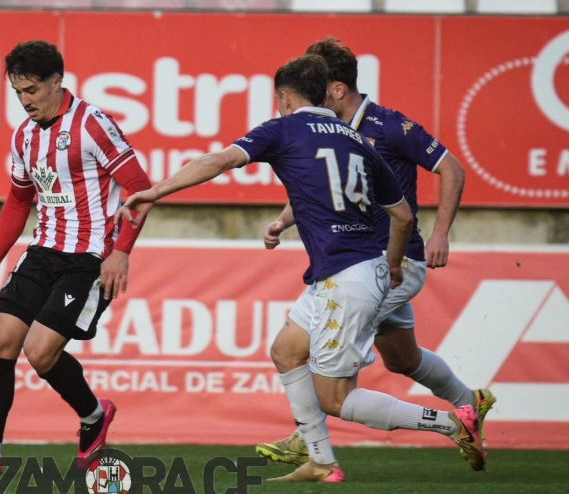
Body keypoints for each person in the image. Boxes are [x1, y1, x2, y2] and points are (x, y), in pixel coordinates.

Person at [118, 54, 485, 483]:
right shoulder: (355, 139)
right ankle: (320, 458)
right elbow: (403, 217)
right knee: (287, 350)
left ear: (285, 97)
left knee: (335, 398)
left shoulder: (284, 129)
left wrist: (155, 192)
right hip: (358, 269)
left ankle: (452, 423)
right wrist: (392, 266)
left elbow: (217, 161)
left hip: (348, 278)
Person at [255, 36, 496, 472]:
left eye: (320, 84)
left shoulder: (387, 127)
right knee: (403, 359)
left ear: (337, 88)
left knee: (318, 365)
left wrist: (441, 233)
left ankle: (310, 442)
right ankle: (468, 403)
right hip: (365, 262)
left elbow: (451, 168)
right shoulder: (328, 132)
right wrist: (282, 222)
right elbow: (321, 189)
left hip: (394, 264)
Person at [0, 40, 152, 476]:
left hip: (88, 258)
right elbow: (19, 202)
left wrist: (120, 253)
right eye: (18, 92)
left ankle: (94, 415)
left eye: (33, 90)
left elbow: (140, 190)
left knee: (40, 353)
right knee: (1, 339)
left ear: (58, 81)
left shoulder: (93, 124)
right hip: (42, 251)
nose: (25, 101)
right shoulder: (23, 136)